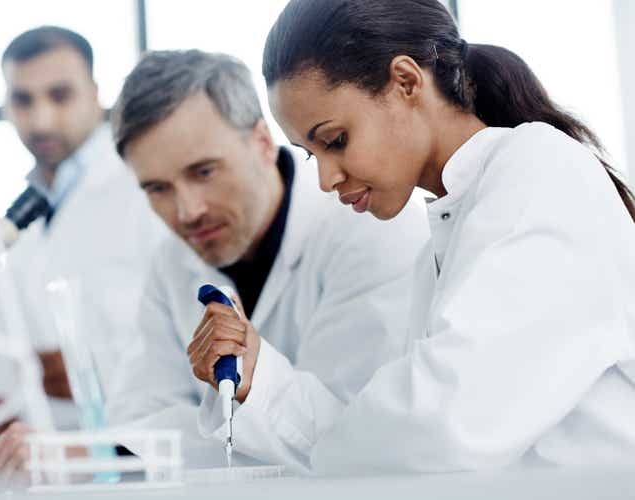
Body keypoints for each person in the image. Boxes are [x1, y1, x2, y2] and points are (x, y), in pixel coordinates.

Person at [190, 0, 635, 474]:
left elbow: (442, 428)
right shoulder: (443, 242)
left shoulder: (540, 169)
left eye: (335, 139)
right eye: (309, 154)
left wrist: (336, 451)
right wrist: (257, 376)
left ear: (406, 82)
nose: (325, 179)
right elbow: (395, 440)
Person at [0, 48, 430, 476]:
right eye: (157, 188)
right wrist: (91, 454)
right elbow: (142, 418)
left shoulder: (368, 226)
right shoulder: (173, 260)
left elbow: (351, 437)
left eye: (203, 172)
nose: (187, 212)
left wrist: (248, 383)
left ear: (260, 141)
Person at [0, 26, 165, 439]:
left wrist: (73, 373)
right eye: (23, 100)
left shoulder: (144, 187)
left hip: (139, 447)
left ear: (94, 94)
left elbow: (180, 332)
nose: (41, 120)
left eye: (60, 95)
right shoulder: (26, 212)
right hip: (47, 454)